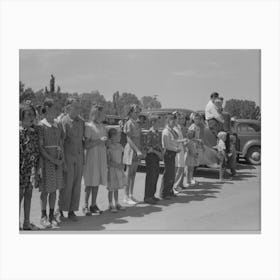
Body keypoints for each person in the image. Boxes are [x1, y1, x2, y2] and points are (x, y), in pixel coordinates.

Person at [38, 98, 64, 228]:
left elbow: (60, 142)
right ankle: (43, 216)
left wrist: (61, 158)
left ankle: (52, 215)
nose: (55, 111)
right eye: (53, 108)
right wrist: (52, 159)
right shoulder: (41, 126)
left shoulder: (58, 124)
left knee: (54, 190)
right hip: (46, 161)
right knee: (45, 191)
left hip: (57, 161)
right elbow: (41, 148)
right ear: (47, 109)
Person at [58, 98, 85, 221]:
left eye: (79, 107)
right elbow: (61, 143)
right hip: (68, 157)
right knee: (67, 185)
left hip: (79, 157)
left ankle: (72, 211)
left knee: (76, 185)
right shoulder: (64, 121)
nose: (78, 110)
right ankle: (60, 210)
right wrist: (62, 160)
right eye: (75, 107)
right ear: (68, 108)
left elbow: (82, 141)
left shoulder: (81, 122)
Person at [82, 104, 107, 216]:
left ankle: (93, 205)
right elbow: (86, 145)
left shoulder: (102, 126)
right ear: (96, 114)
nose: (103, 115)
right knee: (90, 181)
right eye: (102, 113)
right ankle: (85, 205)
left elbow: (103, 141)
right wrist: (99, 141)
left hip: (100, 156)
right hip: (92, 156)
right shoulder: (89, 126)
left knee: (96, 181)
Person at [19, 103, 40, 230]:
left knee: (28, 195)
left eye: (33, 114)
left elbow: (36, 151)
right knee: (18, 195)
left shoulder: (34, 132)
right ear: (22, 116)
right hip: (20, 169)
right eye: (29, 115)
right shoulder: (19, 132)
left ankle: (26, 222)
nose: (32, 117)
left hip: (31, 169)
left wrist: (36, 168)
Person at [123, 104, 143, 205]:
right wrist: (137, 150)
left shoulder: (138, 123)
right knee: (129, 174)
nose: (138, 113)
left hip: (137, 150)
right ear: (131, 112)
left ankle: (131, 195)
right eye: (136, 111)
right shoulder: (129, 123)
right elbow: (129, 139)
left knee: (134, 174)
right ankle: (125, 196)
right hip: (131, 150)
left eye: (139, 111)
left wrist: (140, 150)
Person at [159, 113, 181, 199]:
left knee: (172, 174)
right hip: (168, 153)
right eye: (172, 120)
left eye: (174, 120)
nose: (174, 121)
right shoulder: (166, 131)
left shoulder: (172, 130)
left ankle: (170, 191)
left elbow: (175, 141)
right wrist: (176, 149)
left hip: (173, 153)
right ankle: (164, 193)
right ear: (168, 121)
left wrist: (182, 142)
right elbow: (166, 145)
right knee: (168, 174)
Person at [143, 115, 163, 204]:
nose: (159, 124)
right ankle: (147, 197)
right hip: (151, 156)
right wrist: (155, 150)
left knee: (155, 176)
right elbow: (147, 147)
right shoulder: (149, 133)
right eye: (158, 122)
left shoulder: (157, 132)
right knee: (150, 177)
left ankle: (152, 195)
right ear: (153, 122)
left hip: (156, 157)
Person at [107, 128, 127, 212]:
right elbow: (108, 160)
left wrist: (122, 164)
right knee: (111, 187)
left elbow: (122, 156)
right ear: (111, 137)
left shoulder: (120, 146)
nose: (118, 137)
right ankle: (110, 204)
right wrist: (116, 165)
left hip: (119, 169)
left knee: (117, 187)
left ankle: (117, 203)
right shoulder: (109, 147)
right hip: (112, 170)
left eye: (118, 136)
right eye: (115, 136)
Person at [173, 112, 187, 194]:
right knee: (177, 169)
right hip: (177, 150)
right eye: (177, 118)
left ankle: (176, 185)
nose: (179, 119)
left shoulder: (178, 127)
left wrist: (184, 143)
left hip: (181, 149)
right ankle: (174, 186)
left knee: (181, 168)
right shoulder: (174, 128)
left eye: (180, 118)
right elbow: (175, 141)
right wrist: (183, 141)